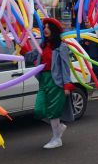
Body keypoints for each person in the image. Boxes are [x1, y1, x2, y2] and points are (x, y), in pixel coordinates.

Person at [23, 18, 75, 149]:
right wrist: (21, 47)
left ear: (54, 30)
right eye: (44, 27)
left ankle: (56, 138)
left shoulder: (61, 47)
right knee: (39, 109)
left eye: (48, 27)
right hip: (43, 80)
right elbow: (30, 57)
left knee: (53, 111)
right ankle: (59, 128)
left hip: (55, 81)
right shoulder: (42, 45)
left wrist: (67, 85)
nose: (45, 29)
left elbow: (65, 66)